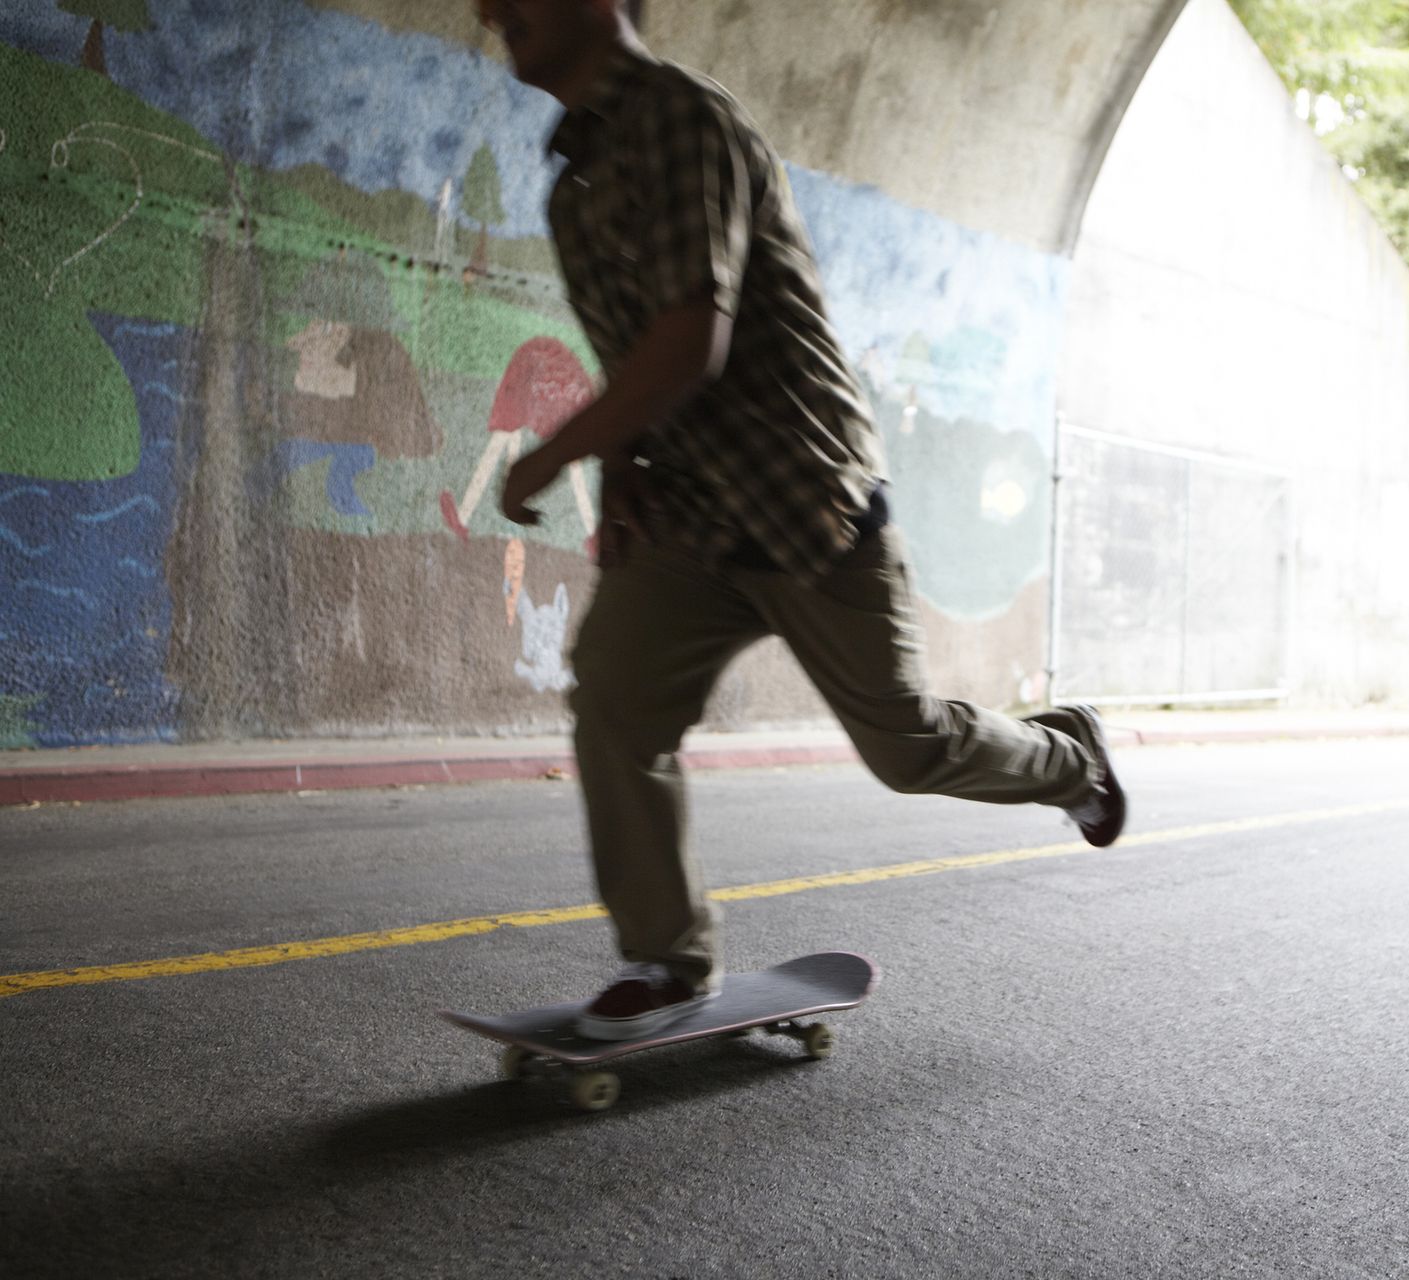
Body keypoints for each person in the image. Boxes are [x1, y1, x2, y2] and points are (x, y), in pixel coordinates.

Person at [477, 0, 1125, 1040]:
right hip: (691, 516)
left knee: (906, 748)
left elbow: (694, 337)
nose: (488, 10)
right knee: (615, 703)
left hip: (800, 497)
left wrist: (556, 451)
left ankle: (1073, 759)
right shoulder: (574, 184)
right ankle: (667, 957)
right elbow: (636, 352)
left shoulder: (679, 119)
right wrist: (626, 464)